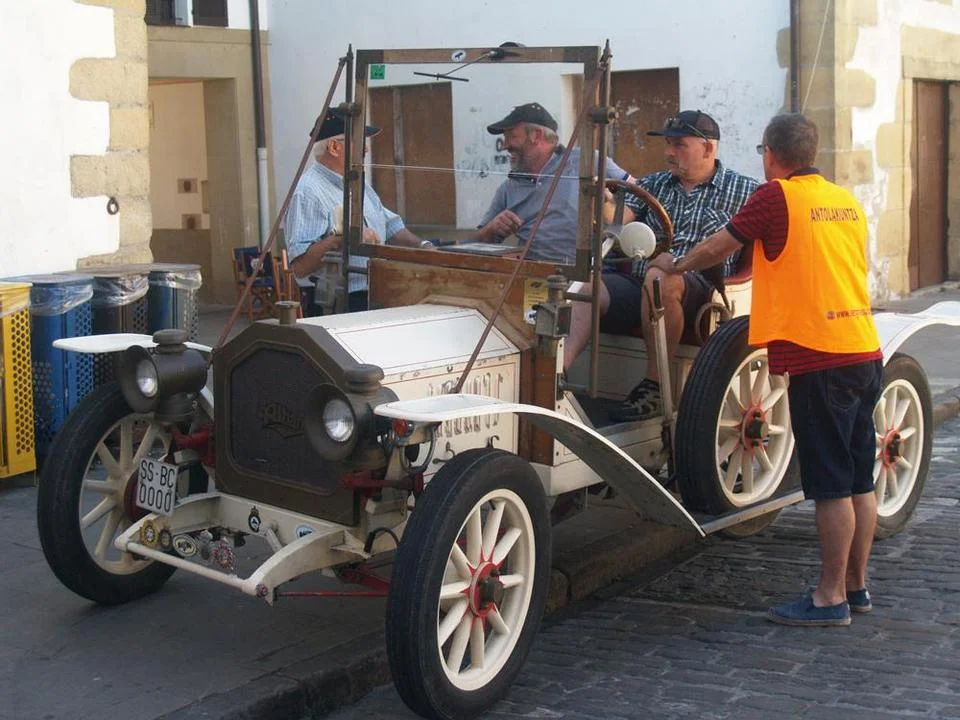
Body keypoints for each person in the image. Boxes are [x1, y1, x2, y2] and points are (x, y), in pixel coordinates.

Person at [666, 113, 883, 627]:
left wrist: (674, 266)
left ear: (771, 154)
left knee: (829, 485)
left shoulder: (776, 196)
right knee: (859, 480)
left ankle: (829, 598)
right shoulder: (844, 200)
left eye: (763, 152)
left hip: (819, 355)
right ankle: (856, 588)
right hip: (863, 348)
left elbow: (721, 245)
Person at [564, 110, 758, 422]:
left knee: (660, 277)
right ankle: (558, 372)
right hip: (641, 285)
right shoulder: (654, 184)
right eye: (668, 144)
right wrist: (603, 201)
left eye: (679, 144)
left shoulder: (746, 190)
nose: (668, 152)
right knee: (587, 285)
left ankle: (654, 386)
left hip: (706, 293)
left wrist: (677, 265)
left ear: (708, 148)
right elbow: (616, 223)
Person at [285, 110, 429, 313]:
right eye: (360, 142)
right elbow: (300, 266)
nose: (366, 149)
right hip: (338, 303)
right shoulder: (308, 192)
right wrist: (345, 238)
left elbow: (391, 225)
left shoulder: (358, 183)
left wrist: (423, 246)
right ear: (334, 147)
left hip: (374, 293)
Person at [473, 102, 634, 264]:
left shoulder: (587, 161)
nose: (505, 145)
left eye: (512, 136)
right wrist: (491, 228)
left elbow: (639, 192)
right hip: (529, 272)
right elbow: (472, 245)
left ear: (536, 135)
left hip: (589, 270)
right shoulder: (508, 188)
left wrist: (610, 207)